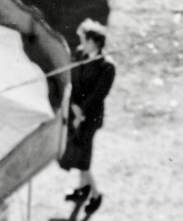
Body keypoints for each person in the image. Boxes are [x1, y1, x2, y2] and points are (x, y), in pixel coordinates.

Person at [60, 20, 115, 219]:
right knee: (80, 154)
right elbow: (73, 81)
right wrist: (74, 107)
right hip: (76, 112)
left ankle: (96, 195)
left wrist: (81, 114)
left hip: (90, 118)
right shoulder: (79, 54)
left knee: (83, 159)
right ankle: (82, 190)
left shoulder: (107, 67)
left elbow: (97, 95)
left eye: (85, 39)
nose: (81, 42)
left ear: (94, 42)